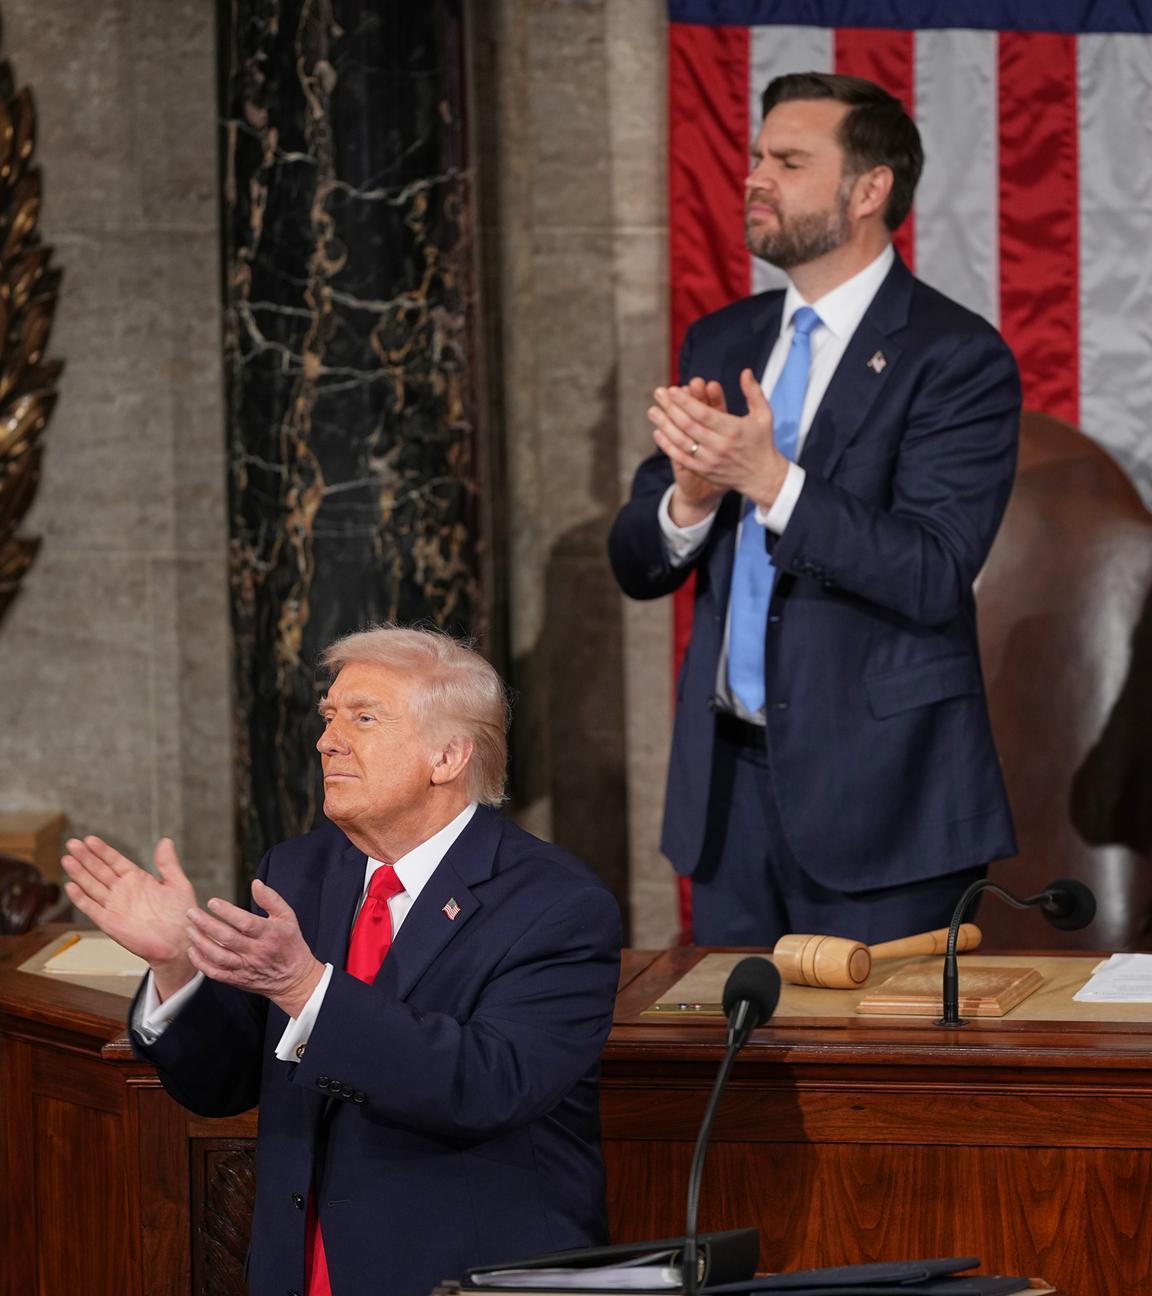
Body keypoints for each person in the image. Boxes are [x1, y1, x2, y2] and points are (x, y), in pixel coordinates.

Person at [61, 625, 622, 1296]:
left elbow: (485, 1084)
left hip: (457, 1274)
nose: (328, 740)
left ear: (447, 756)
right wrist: (179, 965)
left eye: (363, 718)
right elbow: (223, 1082)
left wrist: (306, 989)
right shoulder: (297, 871)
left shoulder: (555, 903)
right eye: (328, 717)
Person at [609, 72, 1019, 947]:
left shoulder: (956, 356)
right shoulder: (722, 337)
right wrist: (690, 495)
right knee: (739, 1078)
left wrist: (773, 482)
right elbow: (636, 562)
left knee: (880, 1085)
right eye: (757, 156)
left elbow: (932, 570)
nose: (756, 177)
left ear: (870, 190)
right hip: (729, 801)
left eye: (789, 161)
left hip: (886, 804)